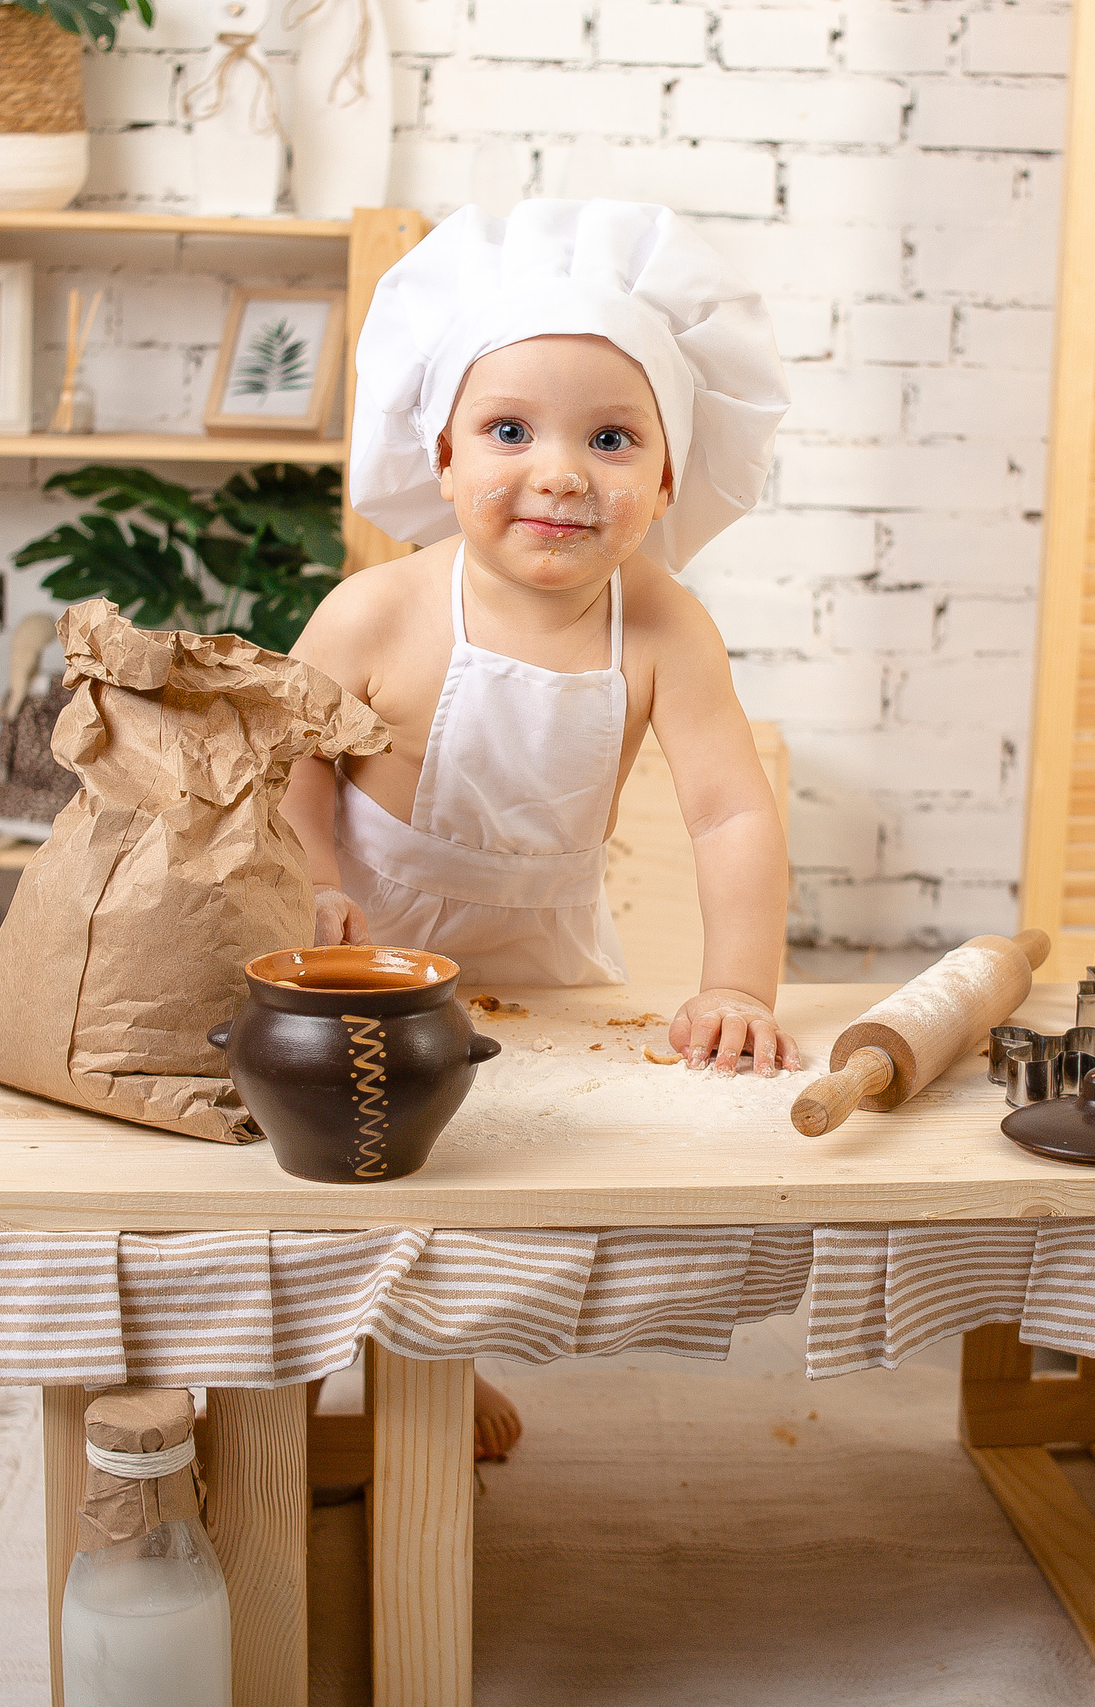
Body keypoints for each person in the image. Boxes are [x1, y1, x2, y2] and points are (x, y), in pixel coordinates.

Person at [283, 200, 796, 1460]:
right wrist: (310, 883)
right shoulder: (375, 613)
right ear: (443, 453)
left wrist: (738, 983)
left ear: (666, 480)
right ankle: (278, 1392)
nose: (561, 472)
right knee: (319, 1172)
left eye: (610, 439)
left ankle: (430, 1366)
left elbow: (728, 810)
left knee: (484, 1172)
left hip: (539, 938)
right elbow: (281, 767)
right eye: (510, 430)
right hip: (358, 933)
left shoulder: (666, 626)